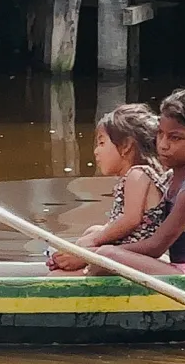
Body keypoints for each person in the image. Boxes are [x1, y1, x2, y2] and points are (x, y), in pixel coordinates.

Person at [94, 88, 185, 276]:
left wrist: (92, 254)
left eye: (175, 138)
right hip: (182, 267)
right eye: (160, 134)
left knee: (106, 256)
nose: (163, 144)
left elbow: (156, 247)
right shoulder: (171, 177)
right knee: (100, 240)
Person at [47, 104, 169, 275]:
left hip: (132, 255)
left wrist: (94, 241)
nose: (96, 151)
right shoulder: (136, 176)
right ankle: (74, 260)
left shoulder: (137, 175)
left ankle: (79, 268)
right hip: (127, 247)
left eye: (102, 143)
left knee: (56, 276)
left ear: (126, 146)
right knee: (92, 230)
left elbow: (130, 220)